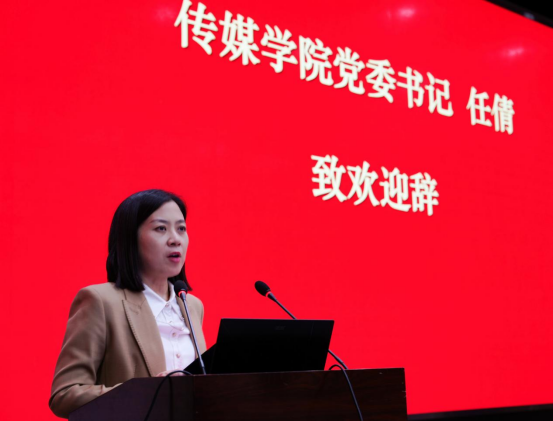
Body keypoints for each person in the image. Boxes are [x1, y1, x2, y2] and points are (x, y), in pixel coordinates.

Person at [49, 189, 207, 419]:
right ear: (130, 238)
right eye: (161, 228)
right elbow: (64, 395)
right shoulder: (100, 301)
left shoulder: (191, 305)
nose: (175, 239)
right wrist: (146, 392)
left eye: (181, 228)